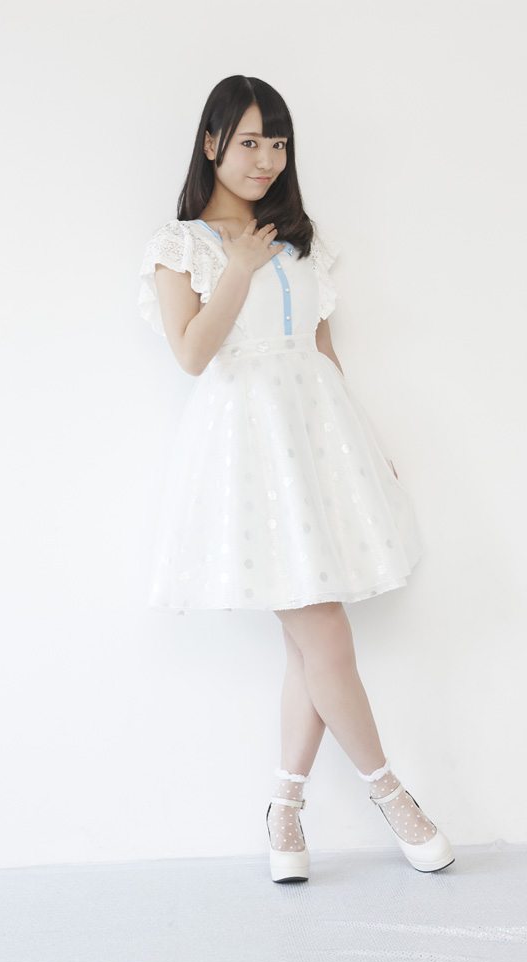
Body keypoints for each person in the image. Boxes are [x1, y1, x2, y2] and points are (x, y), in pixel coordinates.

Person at [138, 75, 455, 882]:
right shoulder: (181, 246)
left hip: (318, 448)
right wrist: (237, 268)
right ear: (211, 143)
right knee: (326, 635)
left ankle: (284, 813)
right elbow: (192, 354)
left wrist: (366, 445)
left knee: (306, 646)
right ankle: (392, 795)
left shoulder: (300, 239)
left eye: (277, 143)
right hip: (249, 456)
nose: (267, 159)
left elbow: (322, 351)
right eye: (250, 141)